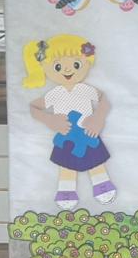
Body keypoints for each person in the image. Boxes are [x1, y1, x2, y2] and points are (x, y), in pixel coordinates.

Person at [22, 34, 118, 210]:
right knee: (66, 166)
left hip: (88, 132)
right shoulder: (55, 94)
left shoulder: (85, 89)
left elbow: (104, 101)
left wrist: (98, 118)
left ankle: (102, 185)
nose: (67, 70)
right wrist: (50, 119)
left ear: (87, 63)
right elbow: (33, 108)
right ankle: (66, 191)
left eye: (76, 64)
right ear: (45, 67)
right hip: (66, 134)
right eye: (58, 66)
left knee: (96, 162)